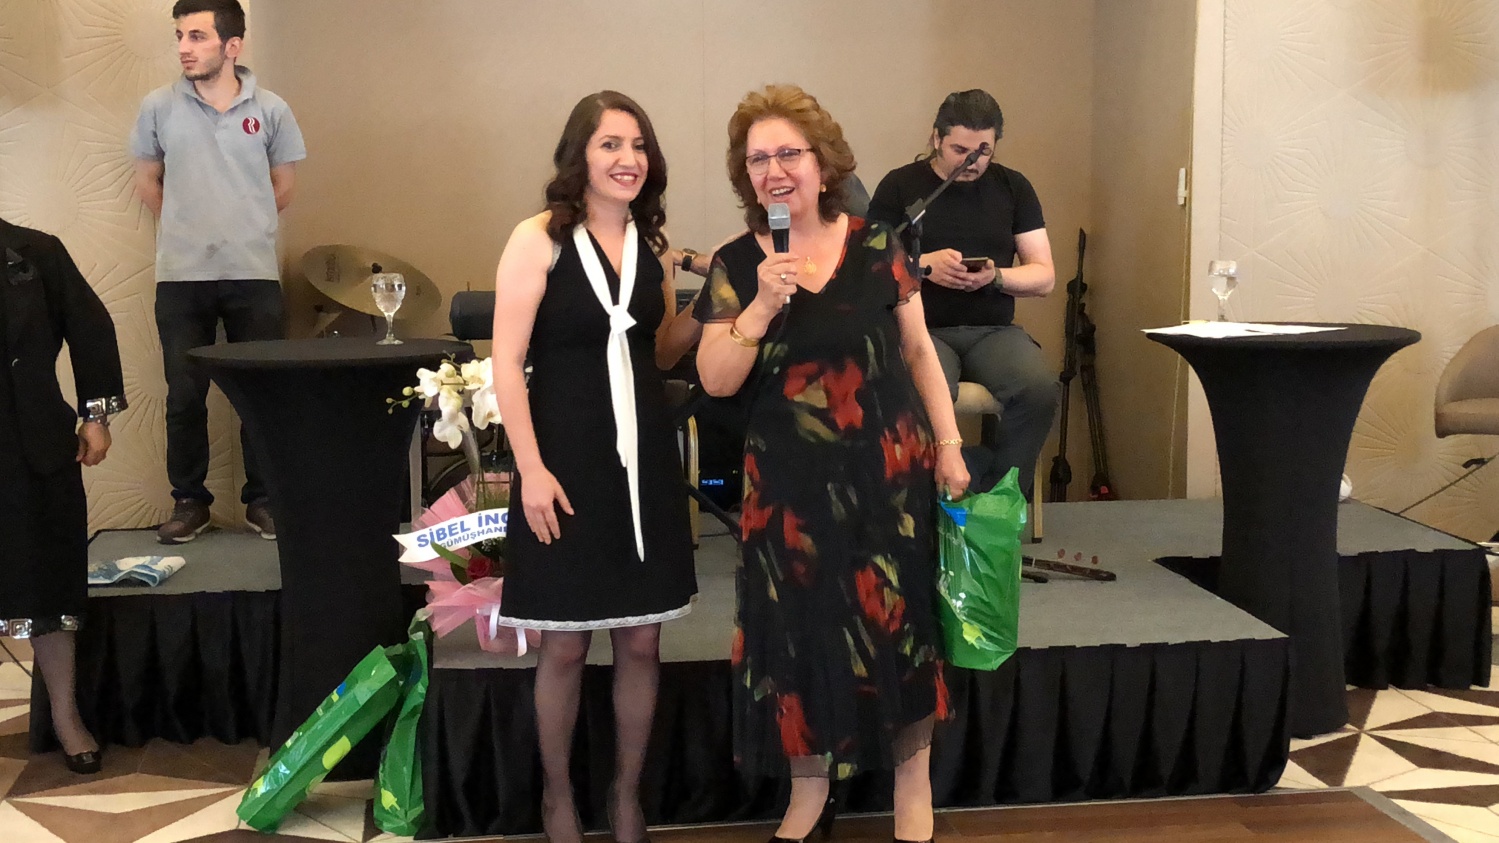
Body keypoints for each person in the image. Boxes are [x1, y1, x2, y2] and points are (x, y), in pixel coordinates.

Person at [694, 84, 968, 843]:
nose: (774, 170)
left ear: (823, 164)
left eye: (789, 153)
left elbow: (918, 352)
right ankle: (809, 793)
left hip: (886, 474)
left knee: (899, 625)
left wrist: (949, 445)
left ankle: (912, 787)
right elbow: (715, 379)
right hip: (788, 486)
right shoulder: (737, 262)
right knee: (796, 634)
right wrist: (759, 306)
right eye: (758, 159)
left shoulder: (879, 244)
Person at [488, 91, 698, 843]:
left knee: (642, 639)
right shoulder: (537, 238)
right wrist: (531, 470)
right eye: (611, 144)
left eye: (638, 145)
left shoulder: (650, 244)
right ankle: (558, 800)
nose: (627, 159)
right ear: (579, 154)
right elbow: (506, 362)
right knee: (566, 641)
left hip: (643, 460)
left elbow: (660, 350)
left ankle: (625, 796)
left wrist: (718, 306)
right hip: (565, 458)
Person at [130, 0, 306, 544]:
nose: (184, 47)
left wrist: (241, 228)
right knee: (185, 395)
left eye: (198, 36)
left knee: (262, 393)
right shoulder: (157, 106)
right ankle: (190, 503)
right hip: (181, 277)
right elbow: (147, 182)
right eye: (180, 36)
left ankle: (265, 501)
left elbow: (283, 187)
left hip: (253, 274)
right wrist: (190, 230)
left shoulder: (271, 108)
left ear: (232, 45)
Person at [867, 89, 1059, 499]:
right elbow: (870, 268)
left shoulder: (1013, 187)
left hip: (993, 331)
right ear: (936, 138)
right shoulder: (901, 186)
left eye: (983, 151)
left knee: (1039, 389)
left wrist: (996, 277)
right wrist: (923, 267)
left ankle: (995, 502)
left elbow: (1044, 277)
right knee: (915, 393)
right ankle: (927, 504)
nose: (972, 162)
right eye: (960, 150)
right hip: (923, 330)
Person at [0, 218, 126, 775]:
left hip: (36, 443)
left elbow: (90, 326)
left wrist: (96, 415)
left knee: (49, 582)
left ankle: (66, 717)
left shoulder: (35, 251)